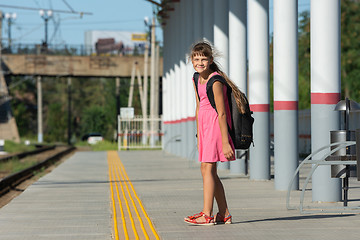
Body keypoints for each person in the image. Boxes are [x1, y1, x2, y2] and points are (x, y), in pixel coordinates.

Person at [184, 41, 246, 226]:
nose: (200, 62)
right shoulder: (196, 78)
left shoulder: (215, 81)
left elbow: (222, 113)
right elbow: (198, 106)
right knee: (207, 170)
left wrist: (226, 142)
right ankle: (224, 214)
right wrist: (198, 134)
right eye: (196, 59)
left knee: (208, 169)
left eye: (204, 59)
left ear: (211, 60)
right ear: (191, 60)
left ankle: (207, 214)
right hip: (204, 127)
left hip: (215, 126)